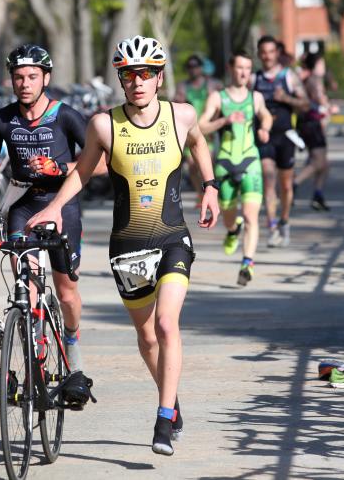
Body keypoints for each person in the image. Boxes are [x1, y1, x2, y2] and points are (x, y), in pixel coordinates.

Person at [26, 35, 220, 456]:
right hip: (127, 246)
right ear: (121, 80)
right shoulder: (103, 124)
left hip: (172, 238)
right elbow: (80, 172)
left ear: (159, 78)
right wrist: (57, 206)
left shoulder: (181, 116)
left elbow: (199, 144)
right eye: (129, 75)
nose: (137, 82)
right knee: (148, 337)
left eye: (146, 74)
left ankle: (164, 417)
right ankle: (172, 399)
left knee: (168, 324)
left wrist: (210, 186)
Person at [0, 44, 96, 404]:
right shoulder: (2, 119)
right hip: (24, 206)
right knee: (24, 289)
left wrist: (62, 169)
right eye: (18, 77)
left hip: (61, 206)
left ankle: (72, 346)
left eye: (32, 77)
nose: (25, 83)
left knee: (65, 292)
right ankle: (34, 364)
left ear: (45, 78)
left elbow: (100, 163)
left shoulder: (65, 116)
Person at [198, 49, 272, 286]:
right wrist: (223, 120)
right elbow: (201, 127)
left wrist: (265, 128)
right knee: (229, 217)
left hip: (251, 161)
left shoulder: (256, 97)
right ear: (231, 69)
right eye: (239, 67)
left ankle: (247, 264)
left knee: (251, 215)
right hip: (225, 163)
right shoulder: (218, 97)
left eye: (248, 69)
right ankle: (232, 230)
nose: (244, 73)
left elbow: (266, 115)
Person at [253, 36, 309, 247]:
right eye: (263, 52)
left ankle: (284, 220)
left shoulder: (288, 76)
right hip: (264, 135)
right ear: (259, 54)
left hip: (285, 136)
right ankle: (272, 227)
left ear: (277, 53)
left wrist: (285, 98)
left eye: (271, 51)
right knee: (268, 178)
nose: (267, 56)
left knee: (285, 186)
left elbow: (305, 103)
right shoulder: (254, 79)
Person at [174, 54, 222, 205]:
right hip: (191, 130)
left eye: (196, 66)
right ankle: (199, 193)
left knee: (209, 163)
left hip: (208, 132)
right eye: (190, 67)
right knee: (192, 165)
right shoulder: (183, 86)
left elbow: (224, 98)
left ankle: (212, 192)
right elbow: (175, 102)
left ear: (201, 68)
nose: (193, 70)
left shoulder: (212, 84)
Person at [294, 52, 331, 211]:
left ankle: (318, 194)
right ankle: (294, 183)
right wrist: (327, 106)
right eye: (321, 64)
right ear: (315, 65)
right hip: (312, 124)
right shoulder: (314, 80)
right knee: (318, 162)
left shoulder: (308, 79)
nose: (323, 67)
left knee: (325, 164)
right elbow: (320, 99)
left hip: (310, 124)